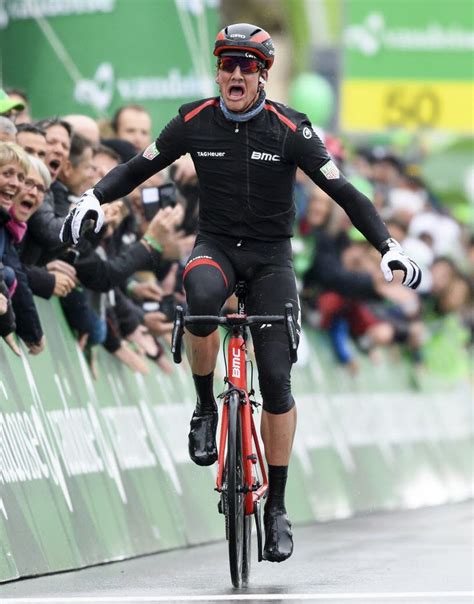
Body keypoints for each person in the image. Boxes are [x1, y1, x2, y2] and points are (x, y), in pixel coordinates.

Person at [60, 23, 422, 563]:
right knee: (201, 293)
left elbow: (344, 191)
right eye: (227, 63)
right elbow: (139, 167)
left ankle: (275, 504)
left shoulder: (291, 130)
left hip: (272, 258)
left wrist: (387, 245)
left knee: (276, 379)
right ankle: (206, 406)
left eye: (246, 65)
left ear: (263, 75)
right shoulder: (192, 120)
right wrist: (92, 196)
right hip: (217, 247)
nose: (234, 73)